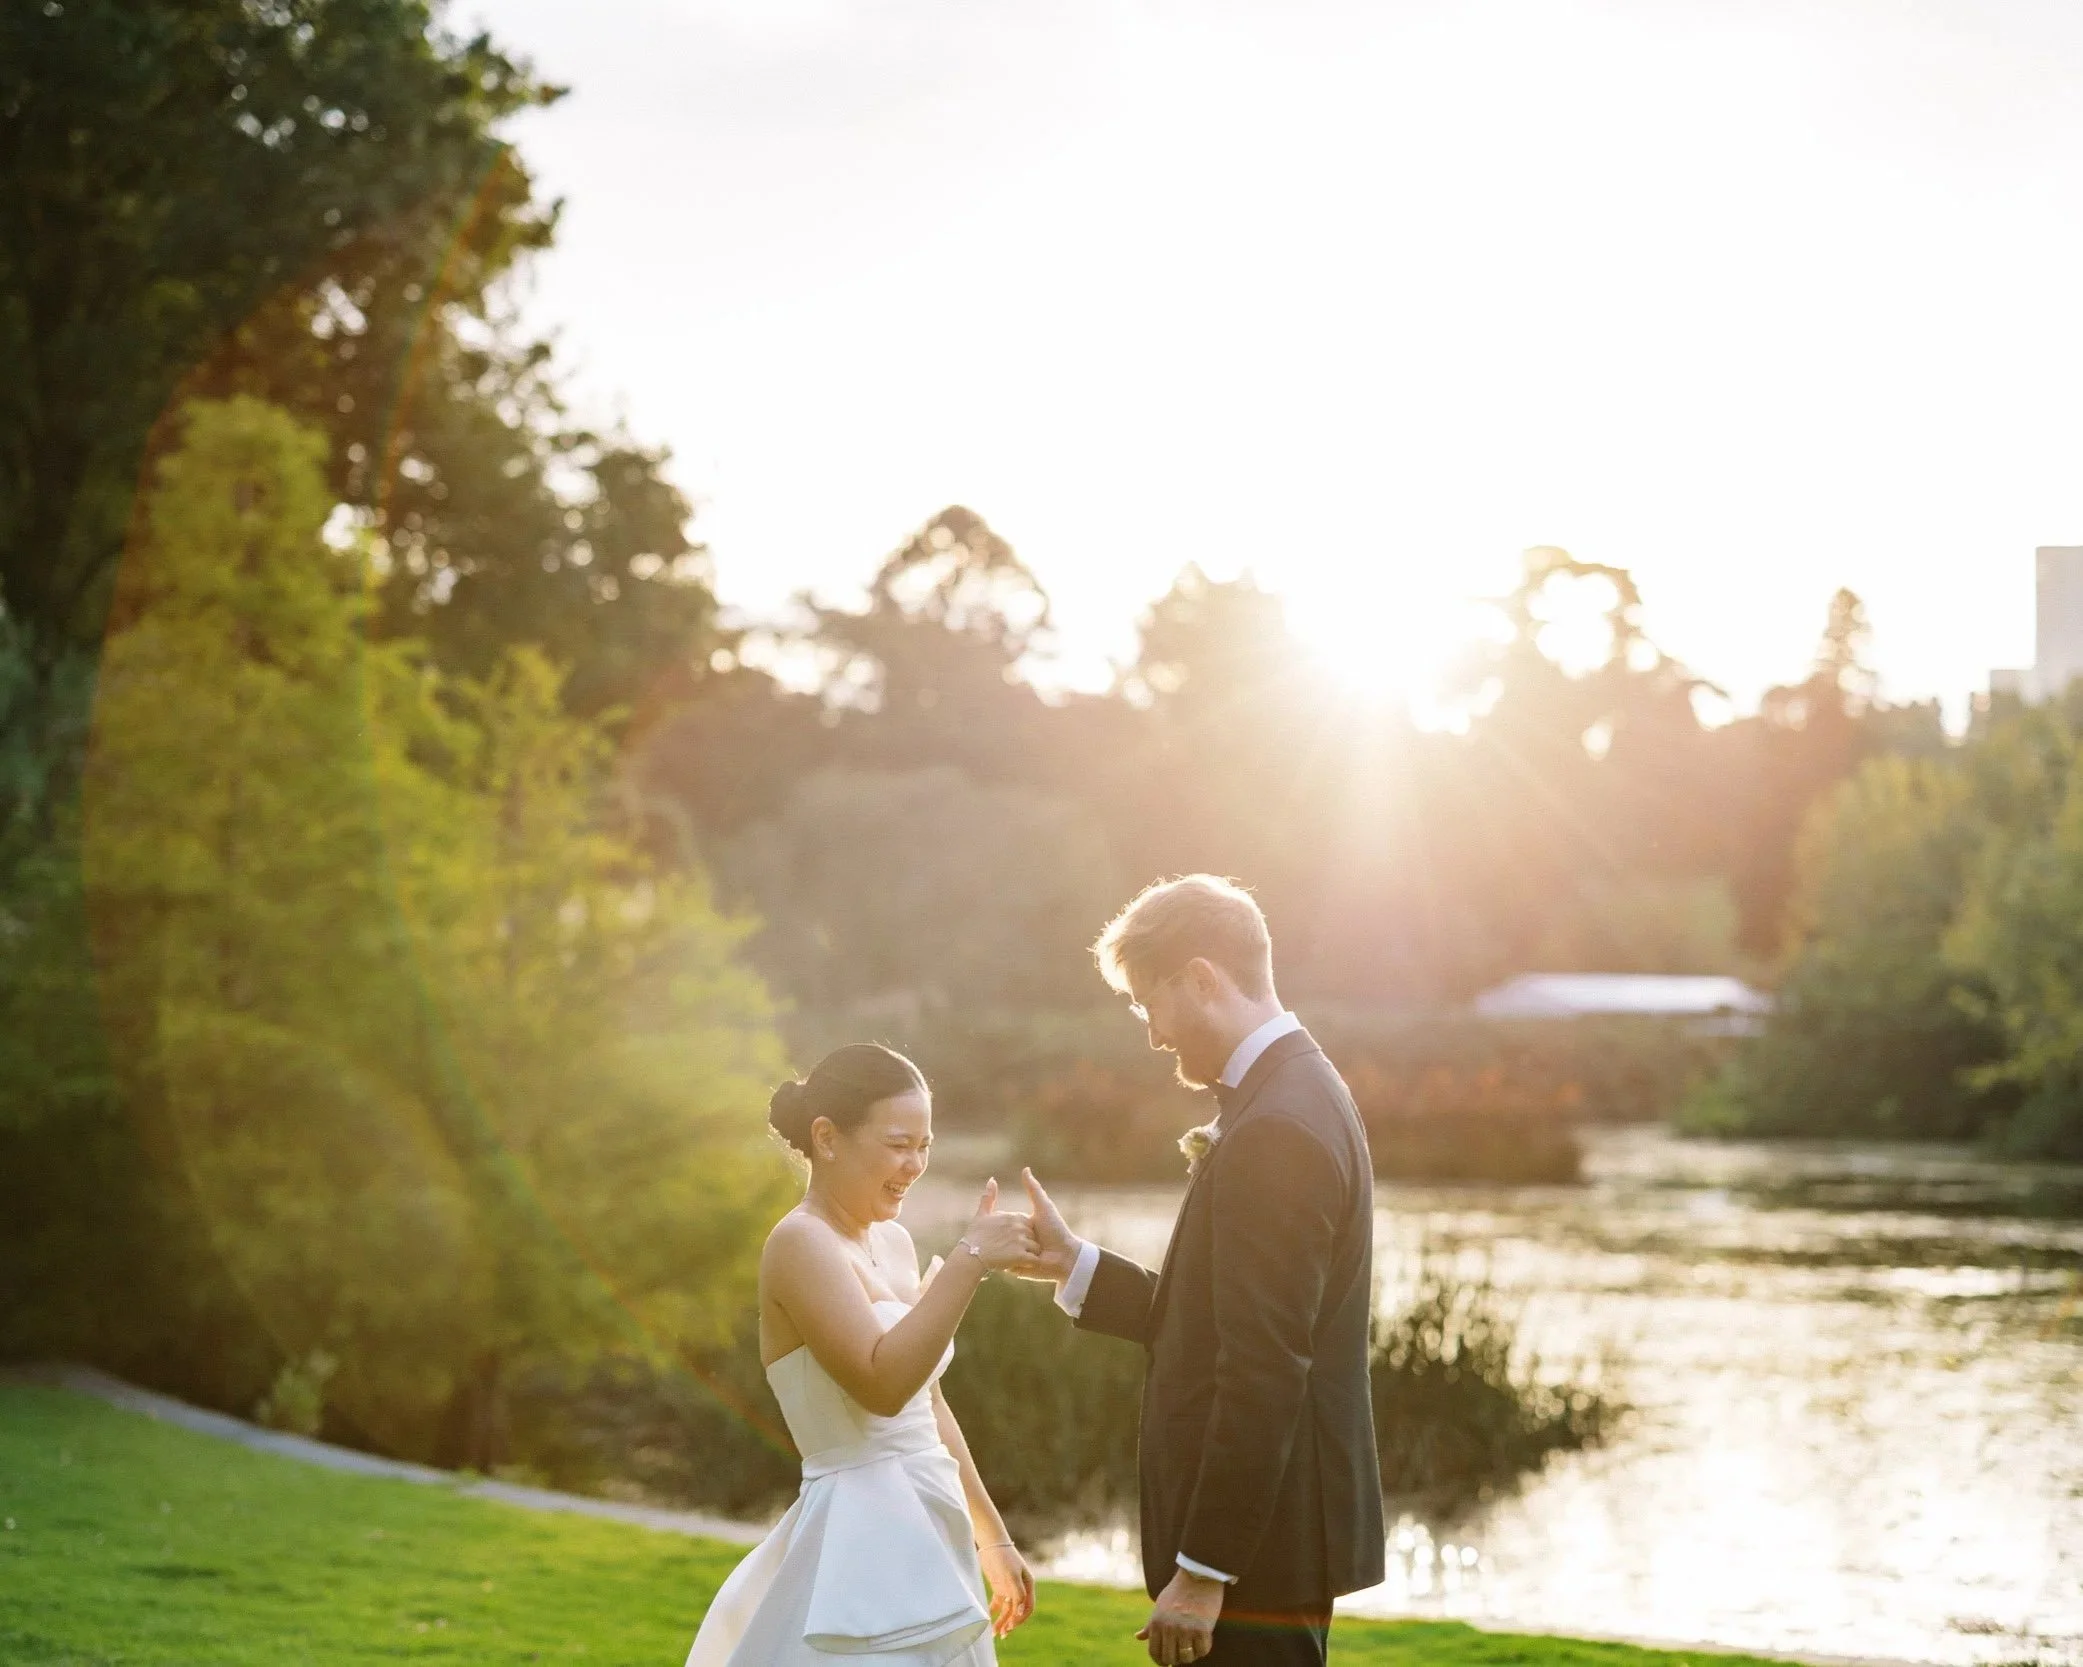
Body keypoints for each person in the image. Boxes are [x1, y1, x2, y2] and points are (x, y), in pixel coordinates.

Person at [1013, 876, 1386, 1667]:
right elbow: (1222, 1318)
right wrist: (1073, 1265)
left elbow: (1265, 1366)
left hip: (1256, 1553)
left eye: (1149, 1001)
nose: (1151, 1032)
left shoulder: (1276, 1126)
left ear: (1202, 979)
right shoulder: (1290, 1091)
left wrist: (1204, 1569)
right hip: (1273, 1538)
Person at [685, 1043, 1039, 1667]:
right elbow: (881, 1385)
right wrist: (971, 1260)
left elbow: (928, 1406)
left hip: (933, 1522)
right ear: (827, 1137)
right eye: (900, 1144)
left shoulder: (895, 1244)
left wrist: (993, 1538)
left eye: (925, 1146)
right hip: (856, 1537)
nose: (916, 1164)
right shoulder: (799, 1243)